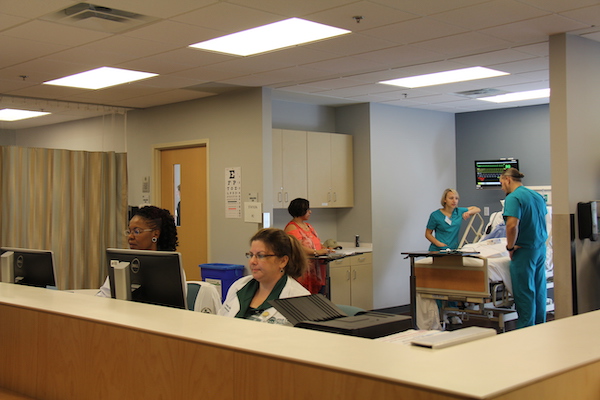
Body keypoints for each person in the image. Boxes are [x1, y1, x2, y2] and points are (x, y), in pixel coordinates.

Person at [218, 228, 310, 324]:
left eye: (260, 255)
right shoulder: (239, 286)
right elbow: (220, 323)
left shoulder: (299, 298)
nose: (252, 261)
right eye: (251, 255)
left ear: (282, 261)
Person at [500, 168, 548, 329]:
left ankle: (526, 333)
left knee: (525, 293)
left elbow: (512, 226)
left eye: (501, 183)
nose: (502, 188)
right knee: (539, 291)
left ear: (507, 179)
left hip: (524, 251)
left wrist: (510, 247)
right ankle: (540, 328)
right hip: (540, 249)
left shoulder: (513, 198)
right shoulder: (536, 196)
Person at [96, 205, 179, 297]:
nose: (130, 237)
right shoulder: (123, 263)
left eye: (137, 231)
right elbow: (104, 296)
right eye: (129, 231)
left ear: (155, 234)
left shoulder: (171, 268)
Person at [284, 198, 332, 294]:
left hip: (317, 269)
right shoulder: (292, 227)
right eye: (307, 209)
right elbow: (297, 246)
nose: (310, 212)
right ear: (300, 210)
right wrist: (316, 252)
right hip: (304, 271)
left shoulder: (309, 226)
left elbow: (316, 243)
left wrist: (325, 249)